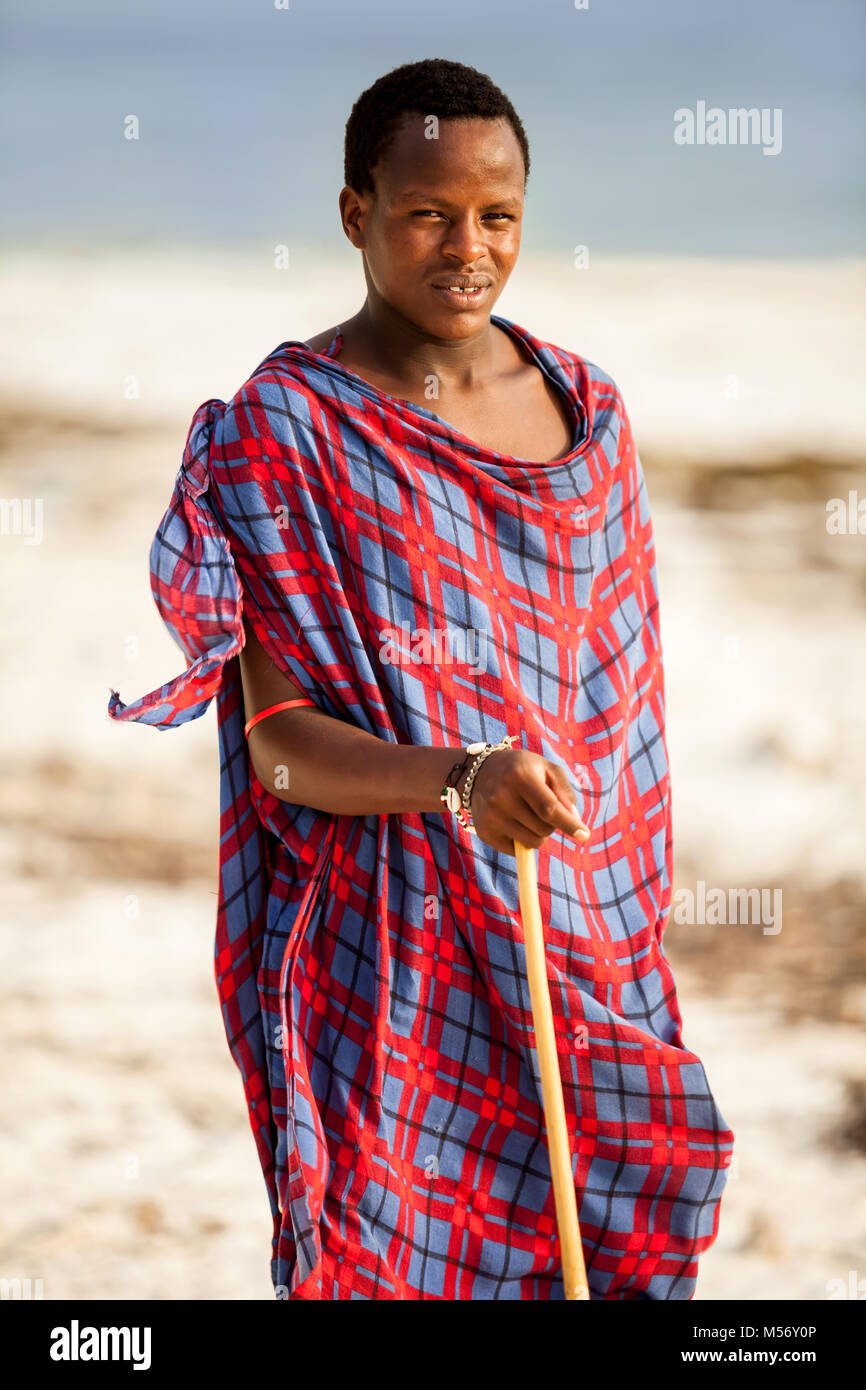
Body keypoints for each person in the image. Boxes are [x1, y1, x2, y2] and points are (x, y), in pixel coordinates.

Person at [109, 57, 734, 1300]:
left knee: (608, 1232)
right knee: (391, 1260)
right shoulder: (285, 433)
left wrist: (579, 861)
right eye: (426, 213)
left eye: (496, 216)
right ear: (355, 214)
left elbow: (616, 709)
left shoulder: (584, 414)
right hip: (392, 953)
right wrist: (461, 779)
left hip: (581, 930)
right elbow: (282, 743)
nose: (468, 246)